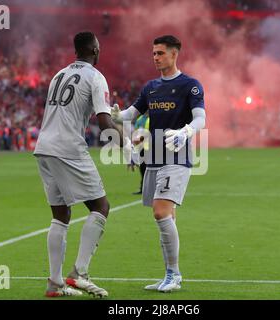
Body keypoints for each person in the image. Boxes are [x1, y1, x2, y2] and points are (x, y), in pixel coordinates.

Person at [112, 35, 206, 292]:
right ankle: (169, 274)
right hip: (153, 159)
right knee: (166, 216)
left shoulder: (191, 85)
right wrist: (115, 114)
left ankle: (174, 275)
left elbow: (200, 120)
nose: (155, 57)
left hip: (177, 158)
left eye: (160, 53)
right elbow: (131, 114)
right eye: (153, 53)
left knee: (160, 211)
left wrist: (185, 132)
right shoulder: (151, 87)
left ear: (175, 54)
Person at [34, 31, 123, 298]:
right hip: (68, 148)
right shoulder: (96, 77)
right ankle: (79, 274)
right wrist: (129, 147)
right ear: (95, 49)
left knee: (60, 216)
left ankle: (55, 283)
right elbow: (105, 123)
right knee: (100, 206)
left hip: (44, 148)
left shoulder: (58, 75)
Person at [130, 112, 150, 195]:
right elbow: (136, 131)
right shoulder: (140, 119)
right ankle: (143, 188)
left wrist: (139, 139)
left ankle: (149, 188)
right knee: (143, 168)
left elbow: (149, 133)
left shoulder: (151, 119)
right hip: (141, 147)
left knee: (149, 168)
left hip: (150, 147)